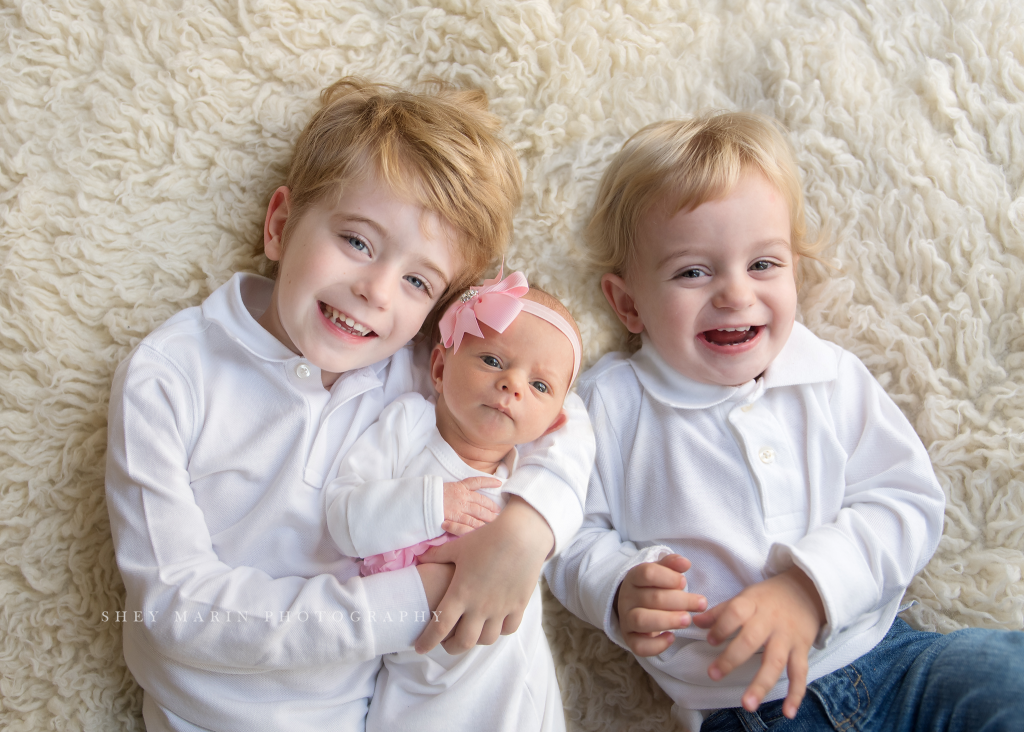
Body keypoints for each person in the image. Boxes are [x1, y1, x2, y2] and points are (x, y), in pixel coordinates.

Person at [105, 78, 594, 732]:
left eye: (418, 280)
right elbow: (172, 610)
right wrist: (414, 599)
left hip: (380, 713)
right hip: (215, 717)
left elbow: (559, 406)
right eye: (359, 242)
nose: (376, 291)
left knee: (501, 635)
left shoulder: (417, 366)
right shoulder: (171, 375)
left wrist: (528, 530)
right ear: (279, 225)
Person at [545, 111, 1024, 731]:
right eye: (694, 271)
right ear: (628, 303)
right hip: (746, 709)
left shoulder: (827, 375)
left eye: (764, 265)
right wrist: (616, 584)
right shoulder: (611, 404)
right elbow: (566, 529)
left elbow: (905, 500)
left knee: (1000, 676)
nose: (735, 295)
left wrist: (810, 588)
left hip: (894, 661)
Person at [324, 272, 585, 732]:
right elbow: (343, 519)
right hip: (417, 686)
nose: (513, 385)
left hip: (513, 685)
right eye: (491, 359)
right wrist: (431, 503)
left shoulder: (529, 480)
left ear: (552, 423)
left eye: (540, 387)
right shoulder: (410, 424)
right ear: (440, 369)